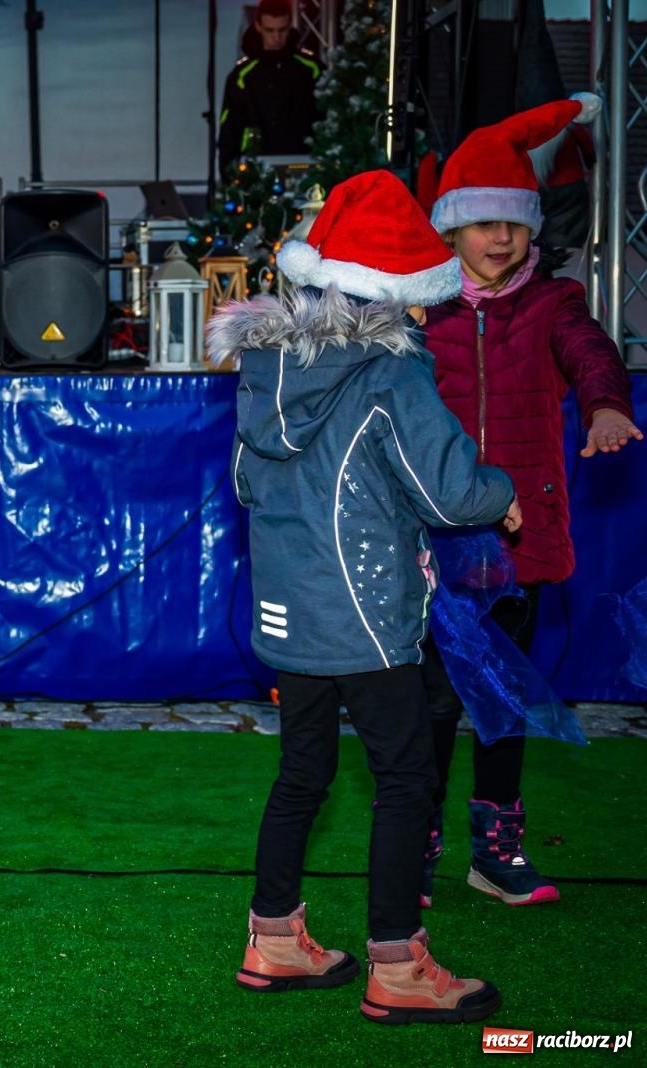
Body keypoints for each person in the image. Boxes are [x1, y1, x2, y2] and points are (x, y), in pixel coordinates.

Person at [208, 169, 516, 1025]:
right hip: (367, 612)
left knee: (303, 770)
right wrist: (503, 494)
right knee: (406, 775)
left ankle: (273, 938)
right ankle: (396, 962)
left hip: (288, 606)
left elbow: (245, 483)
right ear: (403, 294)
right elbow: (449, 490)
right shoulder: (392, 375)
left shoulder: (263, 370)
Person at [419, 95, 640, 908]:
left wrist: (608, 404)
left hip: (518, 540)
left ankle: (496, 848)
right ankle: (416, 845)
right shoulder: (421, 312)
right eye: (482, 223)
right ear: (450, 230)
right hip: (434, 540)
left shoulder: (554, 302)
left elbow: (591, 356)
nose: (500, 237)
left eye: (512, 222)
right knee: (433, 700)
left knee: (502, 695)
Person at [218, 0, 324, 177]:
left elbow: (325, 116)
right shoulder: (243, 75)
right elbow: (229, 128)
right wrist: (228, 174)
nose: (276, 37)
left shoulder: (310, 69)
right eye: (270, 30)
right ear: (258, 26)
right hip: (256, 164)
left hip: (304, 161)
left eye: (282, 30)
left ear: (290, 26)